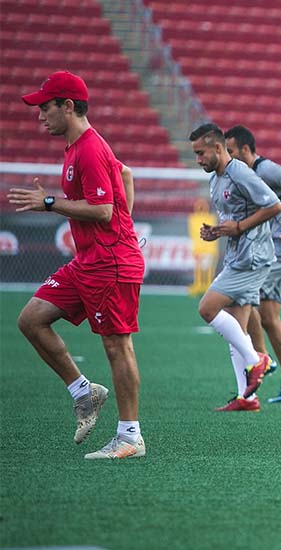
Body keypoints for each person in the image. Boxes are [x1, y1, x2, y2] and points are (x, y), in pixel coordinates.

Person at [8, 71, 146, 459]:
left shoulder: (87, 148)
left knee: (117, 345)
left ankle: (130, 437)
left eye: (44, 107)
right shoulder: (77, 146)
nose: (39, 115)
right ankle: (84, 392)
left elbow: (103, 210)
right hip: (89, 261)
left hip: (109, 264)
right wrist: (126, 228)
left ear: (68, 106)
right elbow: (126, 174)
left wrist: (50, 203)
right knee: (31, 319)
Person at [190, 123, 281, 412]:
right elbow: (234, 218)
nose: (198, 159)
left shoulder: (240, 171)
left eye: (201, 153)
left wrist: (240, 227)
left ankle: (259, 360)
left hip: (252, 257)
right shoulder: (215, 180)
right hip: (238, 255)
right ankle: (247, 397)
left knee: (207, 308)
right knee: (236, 329)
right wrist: (218, 231)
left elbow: (274, 205)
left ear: (218, 148)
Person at [224, 125, 281, 403]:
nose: (228, 157)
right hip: (271, 250)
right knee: (268, 317)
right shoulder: (244, 175)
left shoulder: (266, 170)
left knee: (242, 296)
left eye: (231, 151)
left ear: (246, 150)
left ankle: (260, 359)